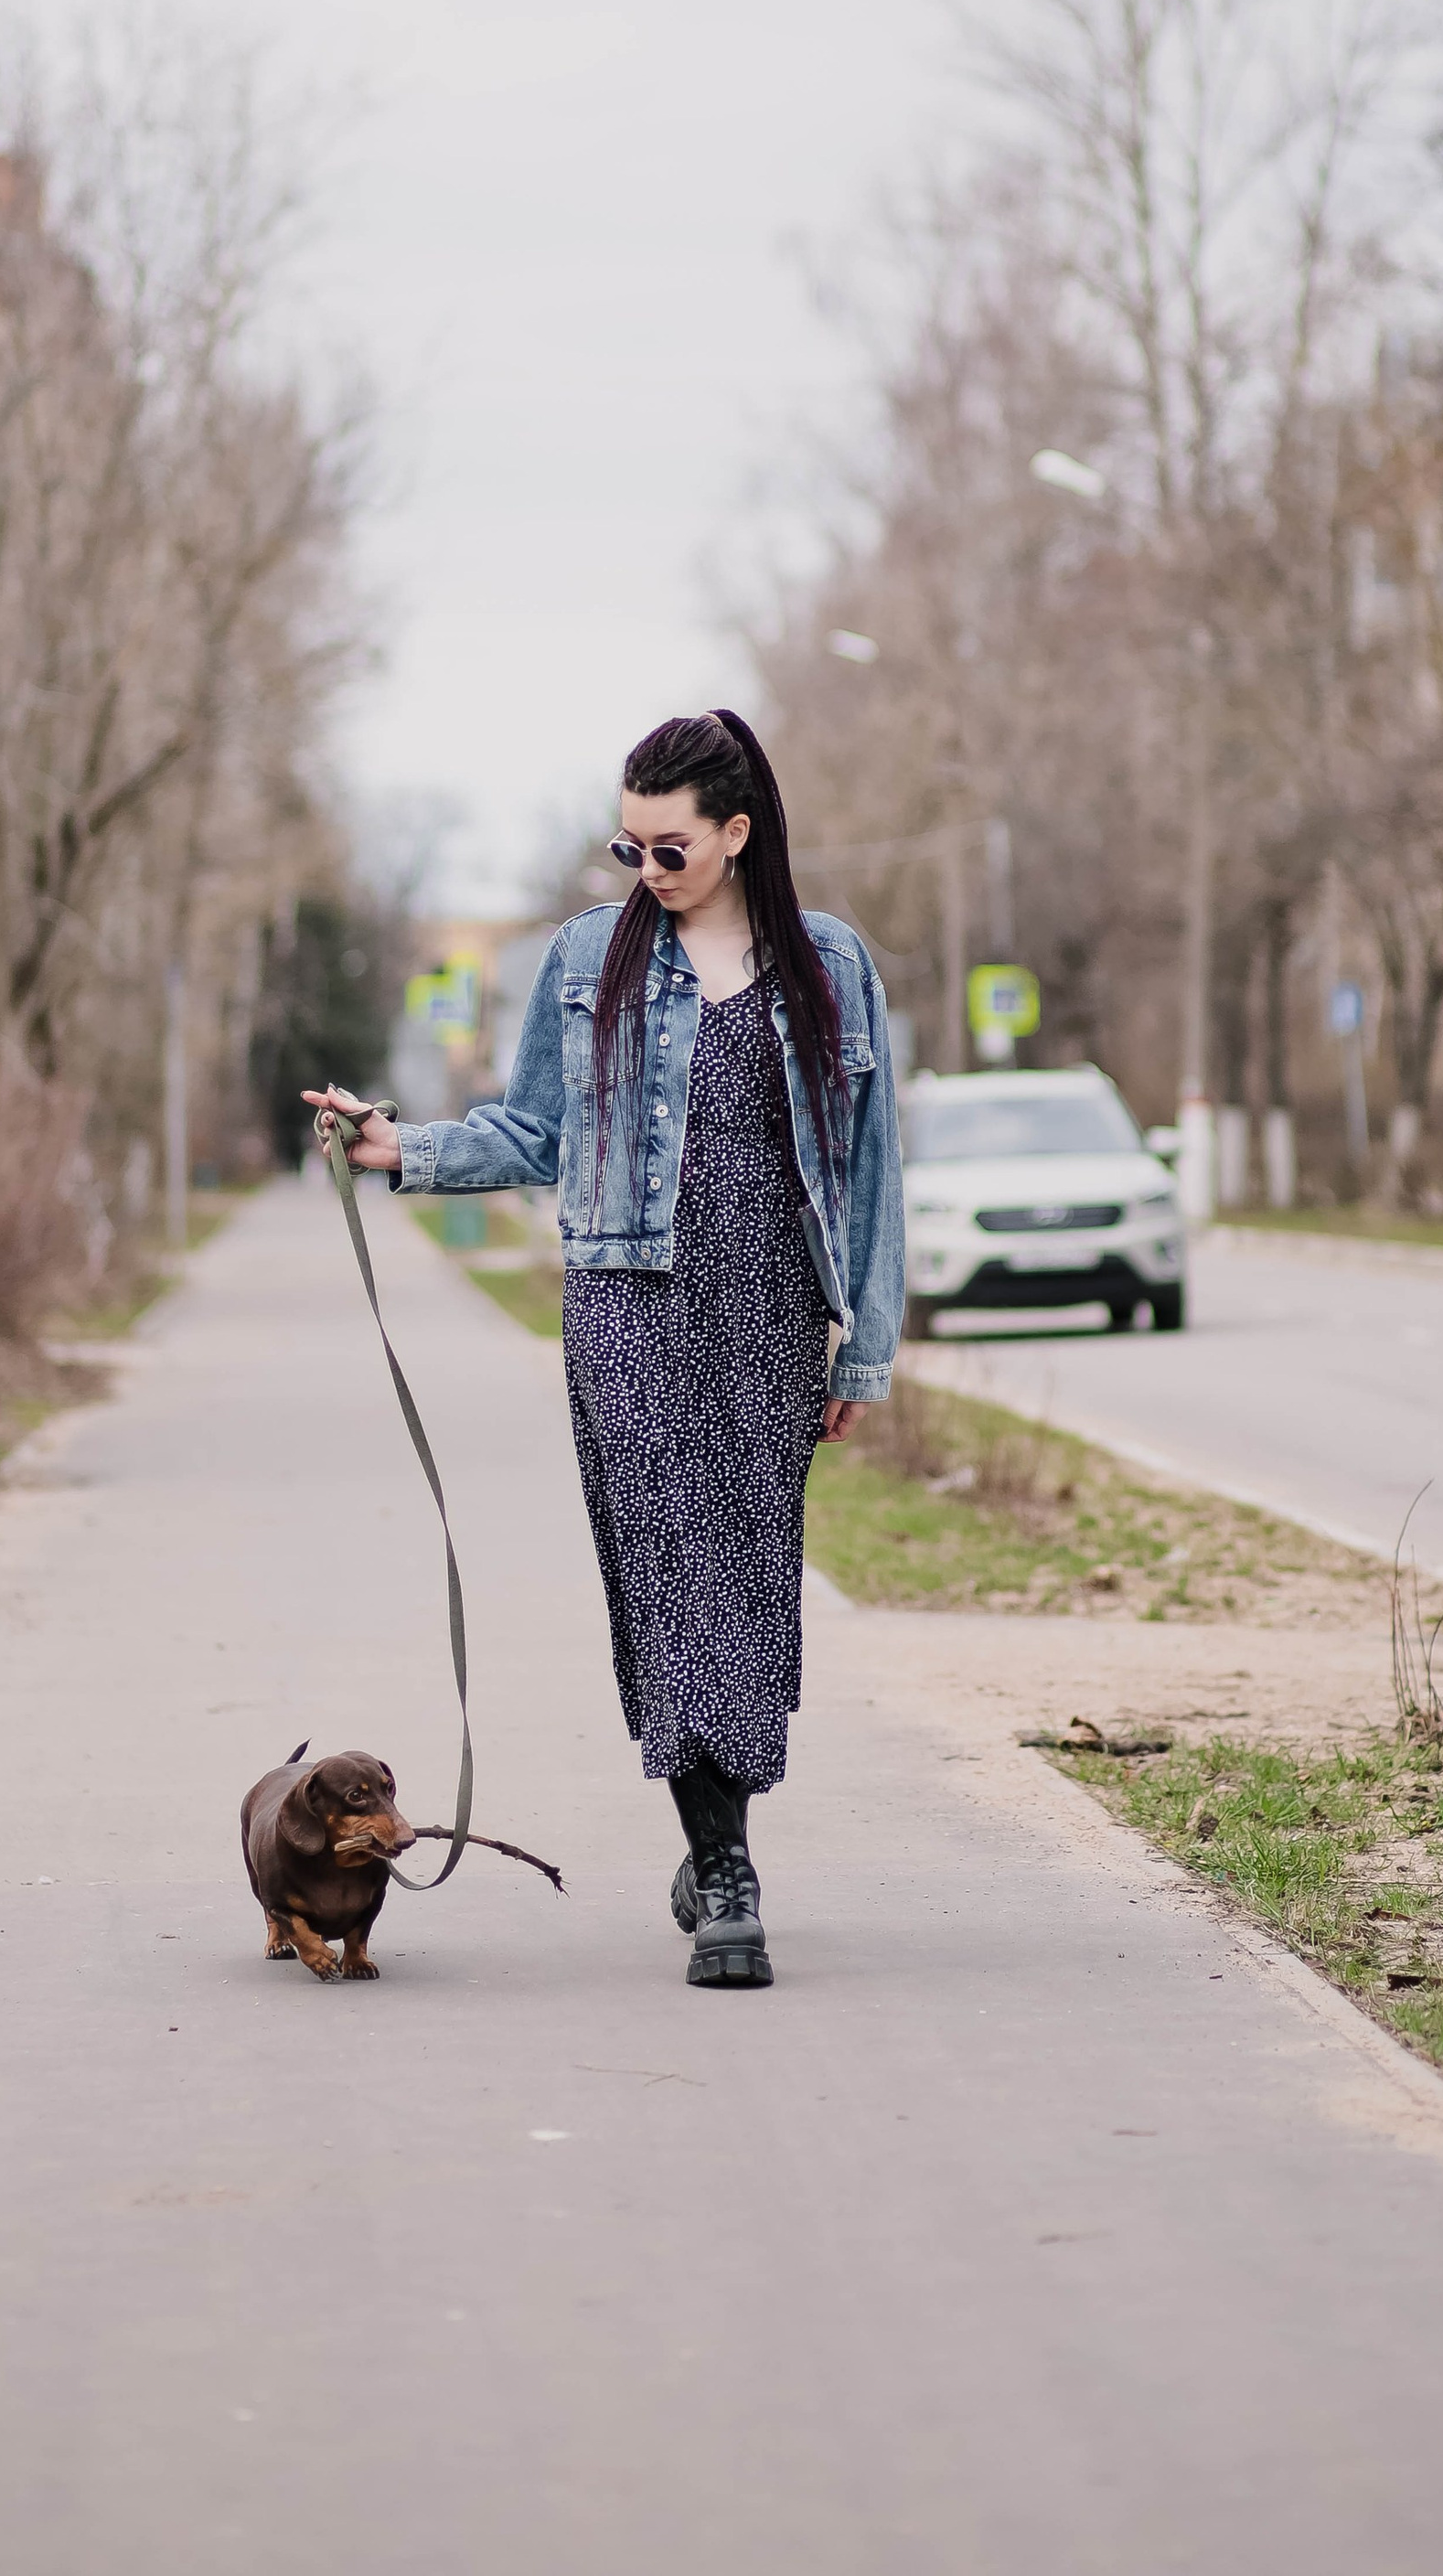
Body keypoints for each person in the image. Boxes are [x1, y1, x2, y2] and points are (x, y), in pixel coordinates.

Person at [308, 709, 903, 1991]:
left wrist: (862, 1350)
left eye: (670, 849)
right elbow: (531, 1130)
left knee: (750, 1586)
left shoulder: (831, 964)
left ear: (739, 834)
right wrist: (399, 1146)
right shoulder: (588, 959)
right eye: (626, 846)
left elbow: (869, 1172)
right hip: (627, 1304)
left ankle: (713, 1830)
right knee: (672, 1574)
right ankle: (729, 1876)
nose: (646, 872)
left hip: (772, 1309)